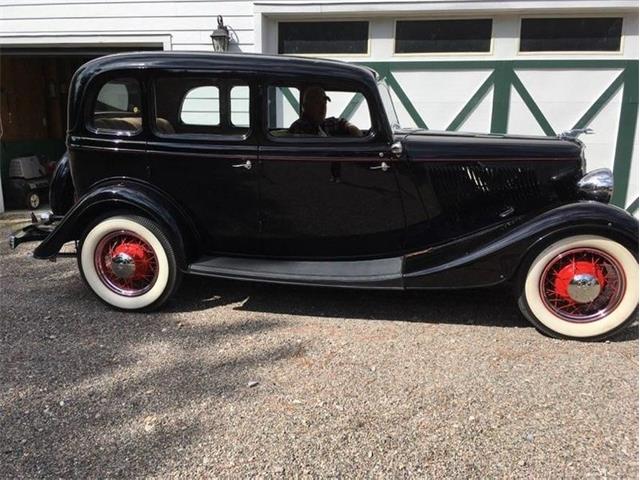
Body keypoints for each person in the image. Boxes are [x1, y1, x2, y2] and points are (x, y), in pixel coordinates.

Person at [289, 85, 362, 137]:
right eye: (318, 103)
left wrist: (350, 127)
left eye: (325, 103)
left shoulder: (324, 124)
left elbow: (342, 123)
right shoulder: (298, 128)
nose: (323, 107)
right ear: (306, 107)